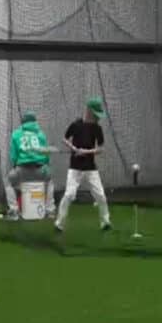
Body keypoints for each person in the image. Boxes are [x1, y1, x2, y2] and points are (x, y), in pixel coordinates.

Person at [54, 97, 112, 233]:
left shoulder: (97, 128)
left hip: (90, 167)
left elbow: (101, 149)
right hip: (75, 167)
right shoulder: (76, 124)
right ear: (89, 111)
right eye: (95, 114)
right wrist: (73, 148)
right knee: (69, 194)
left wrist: (86, 151)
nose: (97, 117)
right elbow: (64, 139)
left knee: (101, 195)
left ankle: (105, 222)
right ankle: (59, 223)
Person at [4, 111, 52, 221]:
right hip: (40, 170)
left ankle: (14, 211)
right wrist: (46, 165)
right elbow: (46, 156)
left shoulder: (16, 134)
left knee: (8, 181)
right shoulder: (41, 134)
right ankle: (50, 211)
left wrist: (16, 166)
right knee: (49, 181)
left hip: (22, 170)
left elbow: (14, 156)